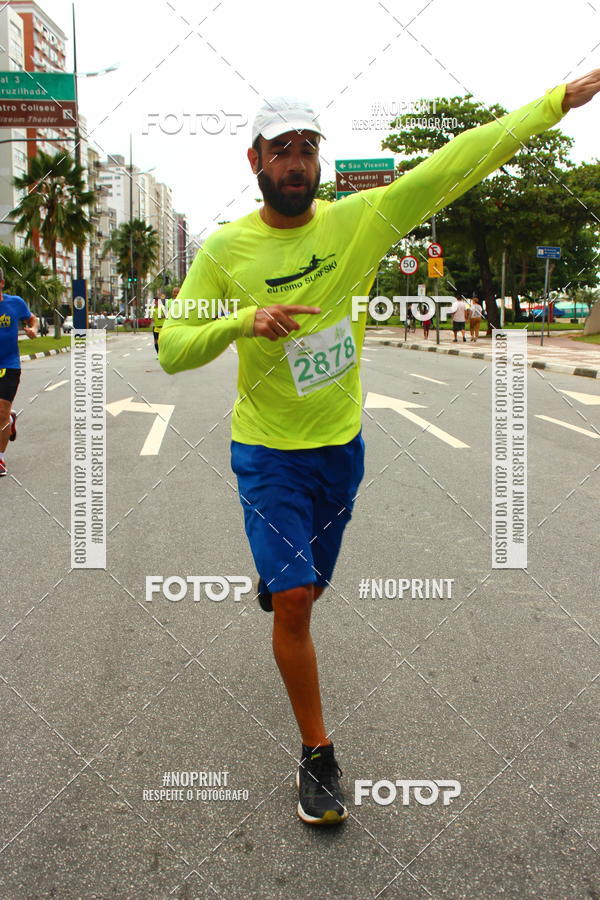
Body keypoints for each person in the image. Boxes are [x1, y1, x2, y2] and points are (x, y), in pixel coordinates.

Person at [159, 71, 600, 825]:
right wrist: (243, 322)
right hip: (266, 453)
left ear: (319, 161)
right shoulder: (225, 251)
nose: (296, 162)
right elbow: (170, 347)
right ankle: (318, 754)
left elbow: (458, 162)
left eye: (308, 149)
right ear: (254, 160)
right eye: (281, 150)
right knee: (296, 601)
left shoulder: (361, 220)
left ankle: (283, 582)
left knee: (306, 590)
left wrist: (553, 104)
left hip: (340, 451)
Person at [0, 268, 38, 477]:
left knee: (2, 411)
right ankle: (10, 422)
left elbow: (32, 319)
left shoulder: (15, 303)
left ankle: (0, 458)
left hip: (9, 364)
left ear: (2, 283)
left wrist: (32, 328)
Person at [152, 287, 180, 355]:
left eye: (177, 292)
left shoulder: (183, 301)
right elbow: (166, 312)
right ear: (172, 293)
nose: (176, 294)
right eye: (174, 292)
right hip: (170, 324)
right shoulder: (169, 301)